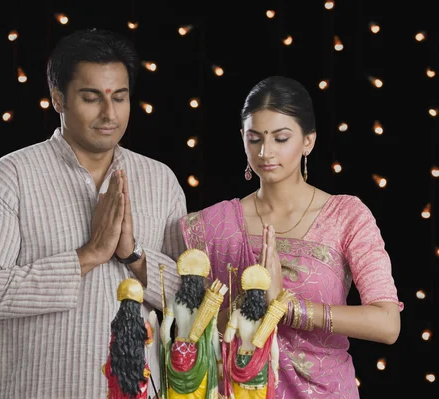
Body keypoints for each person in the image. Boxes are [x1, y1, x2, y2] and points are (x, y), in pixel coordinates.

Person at [0, 28, 187, 399]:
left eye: (120, 97)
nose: (109, 114)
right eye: (91, 98)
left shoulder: (160, 180)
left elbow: (191, 303)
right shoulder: (13, 176)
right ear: (58, 99)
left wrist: (134, 256)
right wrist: (88, 255)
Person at [180, 75, 402, 398]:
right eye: (254, 138)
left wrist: (288, 309)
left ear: (308, 141)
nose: (266, 151)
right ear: (242, 138)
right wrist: (248, 304)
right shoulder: (212, 225)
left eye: (281, 138)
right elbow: (192, 333)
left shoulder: (346, 216)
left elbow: (387, 323)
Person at [159, 248, 227, 399]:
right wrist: (219, 361)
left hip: (178, 352)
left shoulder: (174, 300)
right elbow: (213, 335)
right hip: (202, 354)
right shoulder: (209, 304)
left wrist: (168, 348)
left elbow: (164, 330)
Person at [222, 264, 281, 399]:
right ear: (263, 294)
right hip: (261, 365)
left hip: (241, 362)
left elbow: (227, 338)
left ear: (246, 293)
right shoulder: (268, 318)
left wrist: (235, 331)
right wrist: (274, 369)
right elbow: (273, 348)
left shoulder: (237, 314)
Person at [103, 278, 158, 399]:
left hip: (116, 370)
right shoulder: (144, 326)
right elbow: (149, 344)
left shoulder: (116, 325)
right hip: (137, 372)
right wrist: (151, 326)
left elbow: (112, 345)